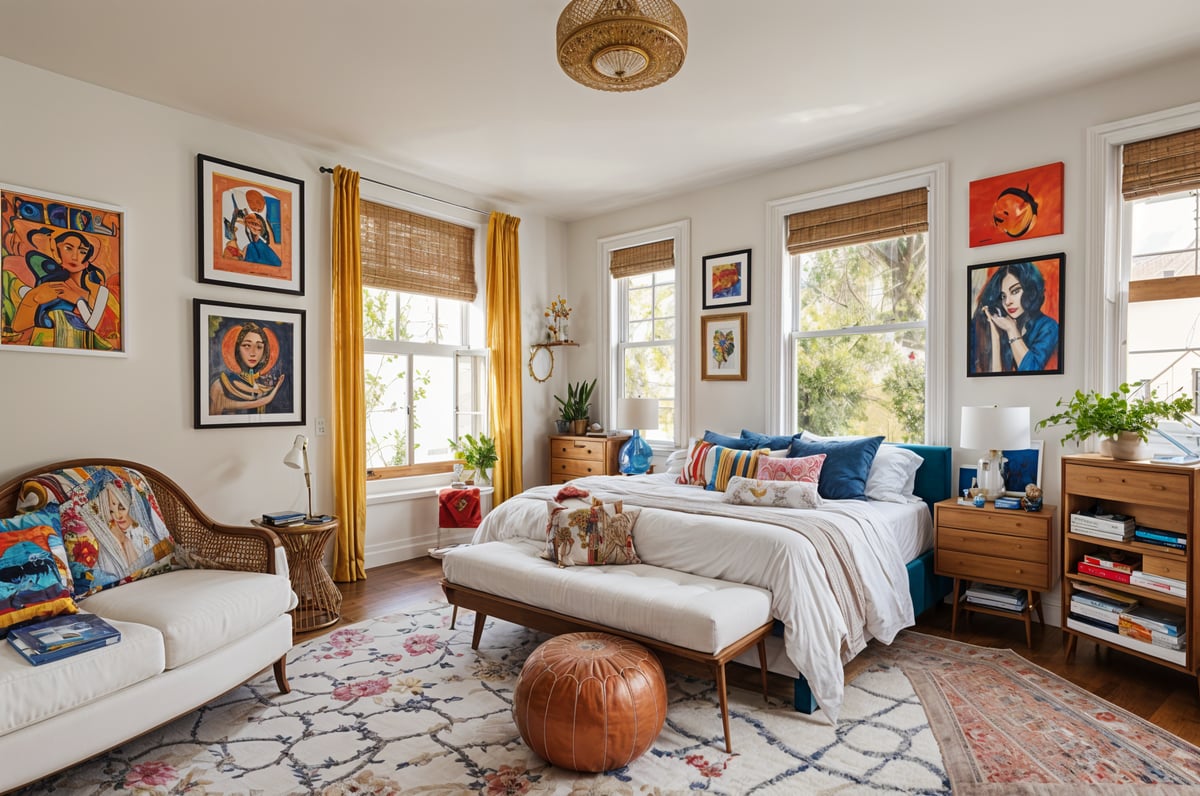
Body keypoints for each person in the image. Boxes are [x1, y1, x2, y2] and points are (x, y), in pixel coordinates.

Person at [9, 229, 118, 349]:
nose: (75, 256)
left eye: (82, 251)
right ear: (56, 253)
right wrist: (32, 299)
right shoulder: (49, 287)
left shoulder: (101, 292)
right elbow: (18, 326)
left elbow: (97, 326)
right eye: (68, 248)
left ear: (86, 261)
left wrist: (77, 300)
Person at [970, 261, 1059, 373]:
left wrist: (1012, 330)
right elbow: (995, 377)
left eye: (1015, 291)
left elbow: (1031, 370)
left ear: (1030, 290)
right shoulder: (1004, 324)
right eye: (1003, 296)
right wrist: (995, 334)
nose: (1007, 302)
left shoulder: (1048, 327)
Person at [209, 321, 286, 415]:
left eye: (259, 347)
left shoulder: (262, 386)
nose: (253, 353)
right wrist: (268, 398)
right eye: (247, 345)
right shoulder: (221, 385)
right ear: (237, 349)